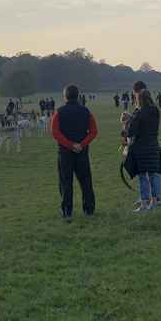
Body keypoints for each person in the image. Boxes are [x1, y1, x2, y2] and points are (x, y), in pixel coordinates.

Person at [51, 85, 98, 220]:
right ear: (78, 96)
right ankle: (89, 209)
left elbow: (55, 132)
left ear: (65, 96)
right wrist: (81, 144)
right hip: (82, 152)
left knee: (66, 181)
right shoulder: (86, 112)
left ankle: (67, 210)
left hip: (65, 152)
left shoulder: (59, 112)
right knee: (86, 181)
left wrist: (70, 145)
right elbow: (94, 131)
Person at [123, 90, 161, 212]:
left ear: (138, 100)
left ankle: (144, 203)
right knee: (153, 173)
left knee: (142, 175)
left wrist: (127, 122)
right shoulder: (155, 111)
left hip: (141, 148)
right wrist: (133, 117)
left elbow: (131, 132)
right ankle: (155, 200)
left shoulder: (139, 113)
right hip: (153, 145)